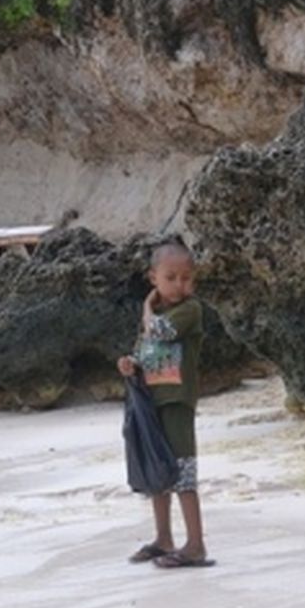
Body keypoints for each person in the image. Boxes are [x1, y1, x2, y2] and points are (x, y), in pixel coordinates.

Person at [118, 241, 212, 569]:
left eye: (186, 278)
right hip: (153, 401)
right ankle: (163, 538)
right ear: (153, 277)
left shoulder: (190, 310)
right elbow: (145, 353)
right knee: (159, 471)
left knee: (183, 472)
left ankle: (196, 544)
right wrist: (130, 363)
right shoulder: (155, 316)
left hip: (177, 401)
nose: (179, 285)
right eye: (170, 277)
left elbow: (161, 332)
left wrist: (146, 308)